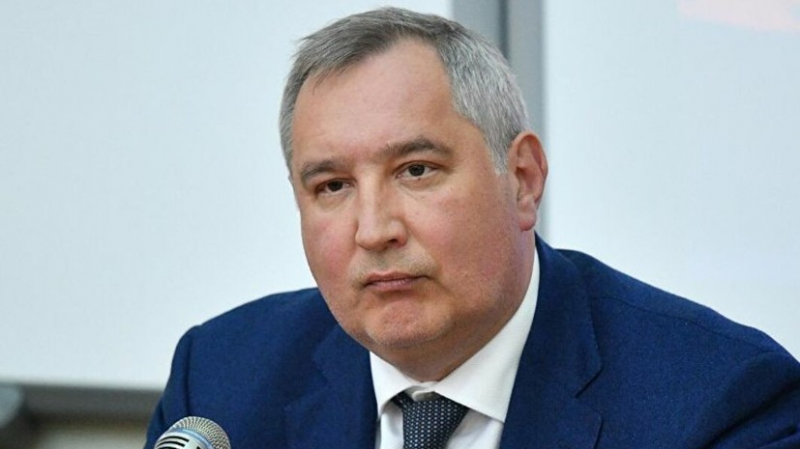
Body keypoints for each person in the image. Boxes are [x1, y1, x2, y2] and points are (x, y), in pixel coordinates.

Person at [144, 7, 800, 449]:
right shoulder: (222, 385)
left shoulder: (720, 405)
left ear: (523, 179)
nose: (373, 230)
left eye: (416, 170)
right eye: (333, 186)